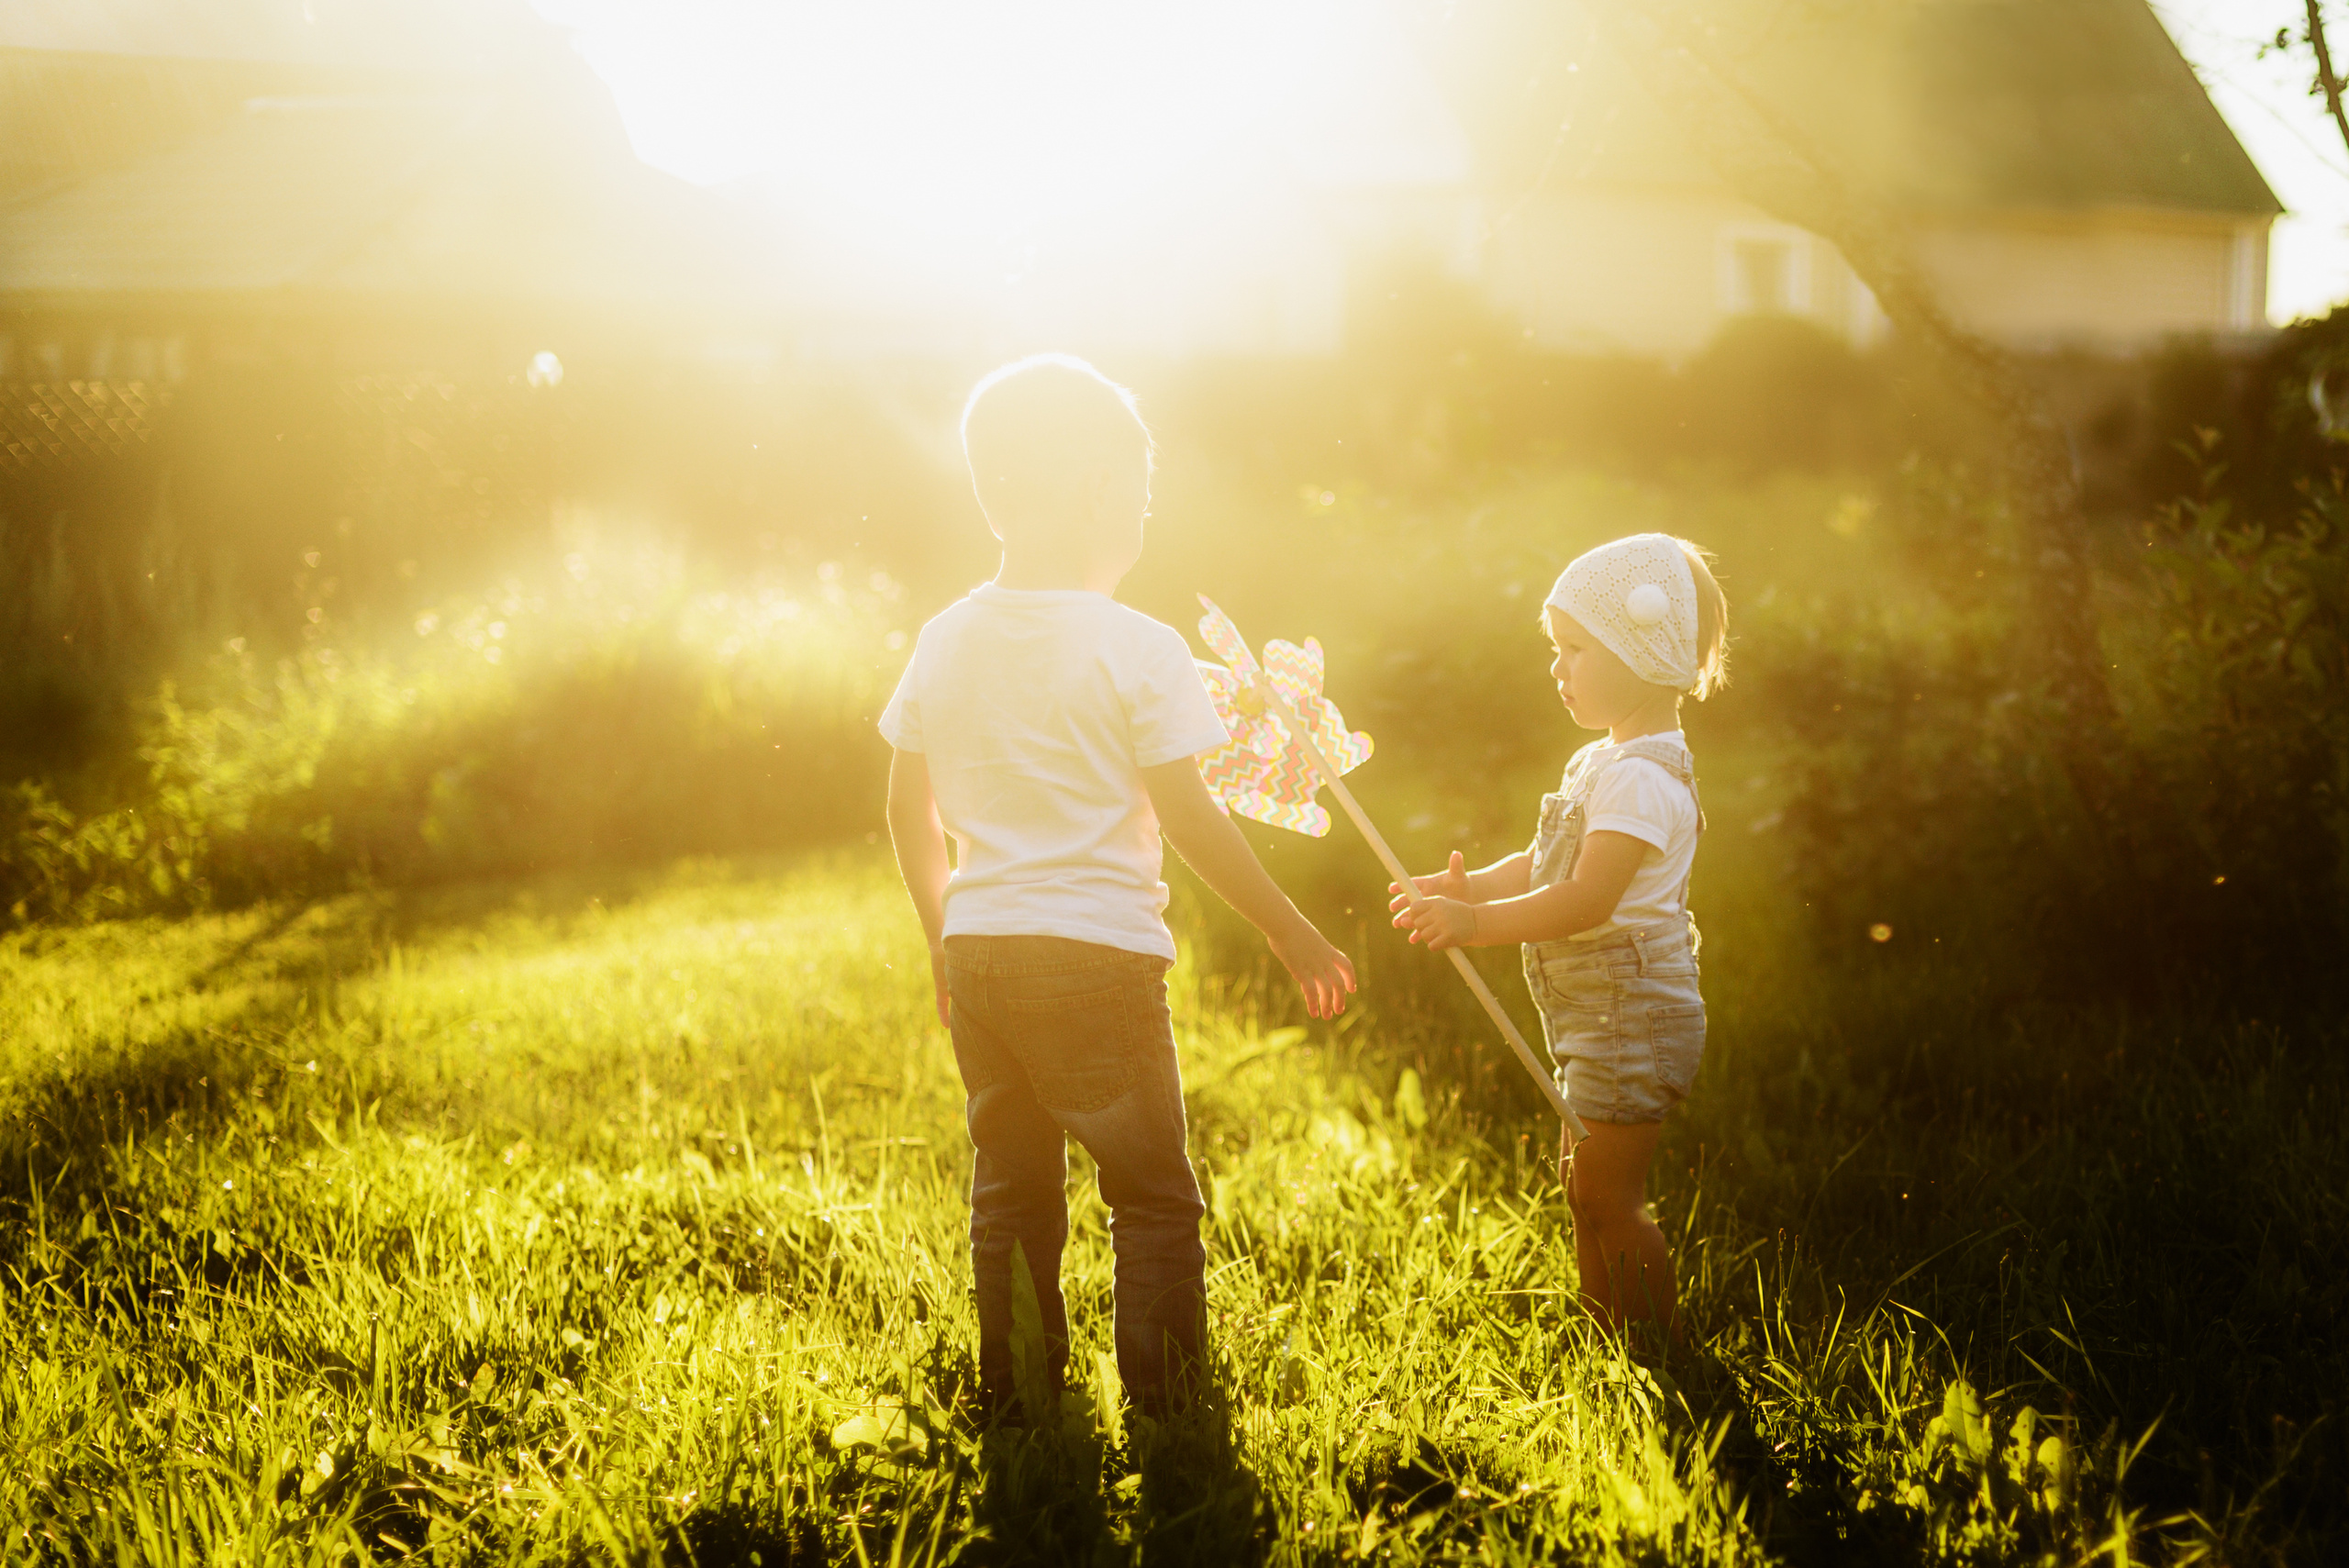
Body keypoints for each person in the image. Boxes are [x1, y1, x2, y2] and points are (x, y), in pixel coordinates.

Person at [881, 354, 1356, 1418]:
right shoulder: (1140, 646)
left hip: (981, 949)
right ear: (1099, 487)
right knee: (1149, 1194)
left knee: (1011, 1194)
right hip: (1096, 958)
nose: (1145, 513)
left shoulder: (944, 637)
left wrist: (941, 930)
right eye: (1141, 492)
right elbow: (1191, 815)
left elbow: (906, 807)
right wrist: (1289, 928)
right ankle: (1169, 1411)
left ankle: (1018, 1400)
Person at [1389, 533, 1727, 1341]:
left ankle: (1657, 1349)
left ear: (1643, 652)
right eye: (1556, 647)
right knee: (1583, 1190)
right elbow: (1546, 862)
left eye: (1576, 648)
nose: (1557, 666)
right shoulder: (1603, 761)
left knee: (1609, 1197)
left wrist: (1476, 925)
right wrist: (1473, 886)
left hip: (1631, 1016)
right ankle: (1605, 1329)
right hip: (1599, 1015)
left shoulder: (1642, 779)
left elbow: (1585, 899)